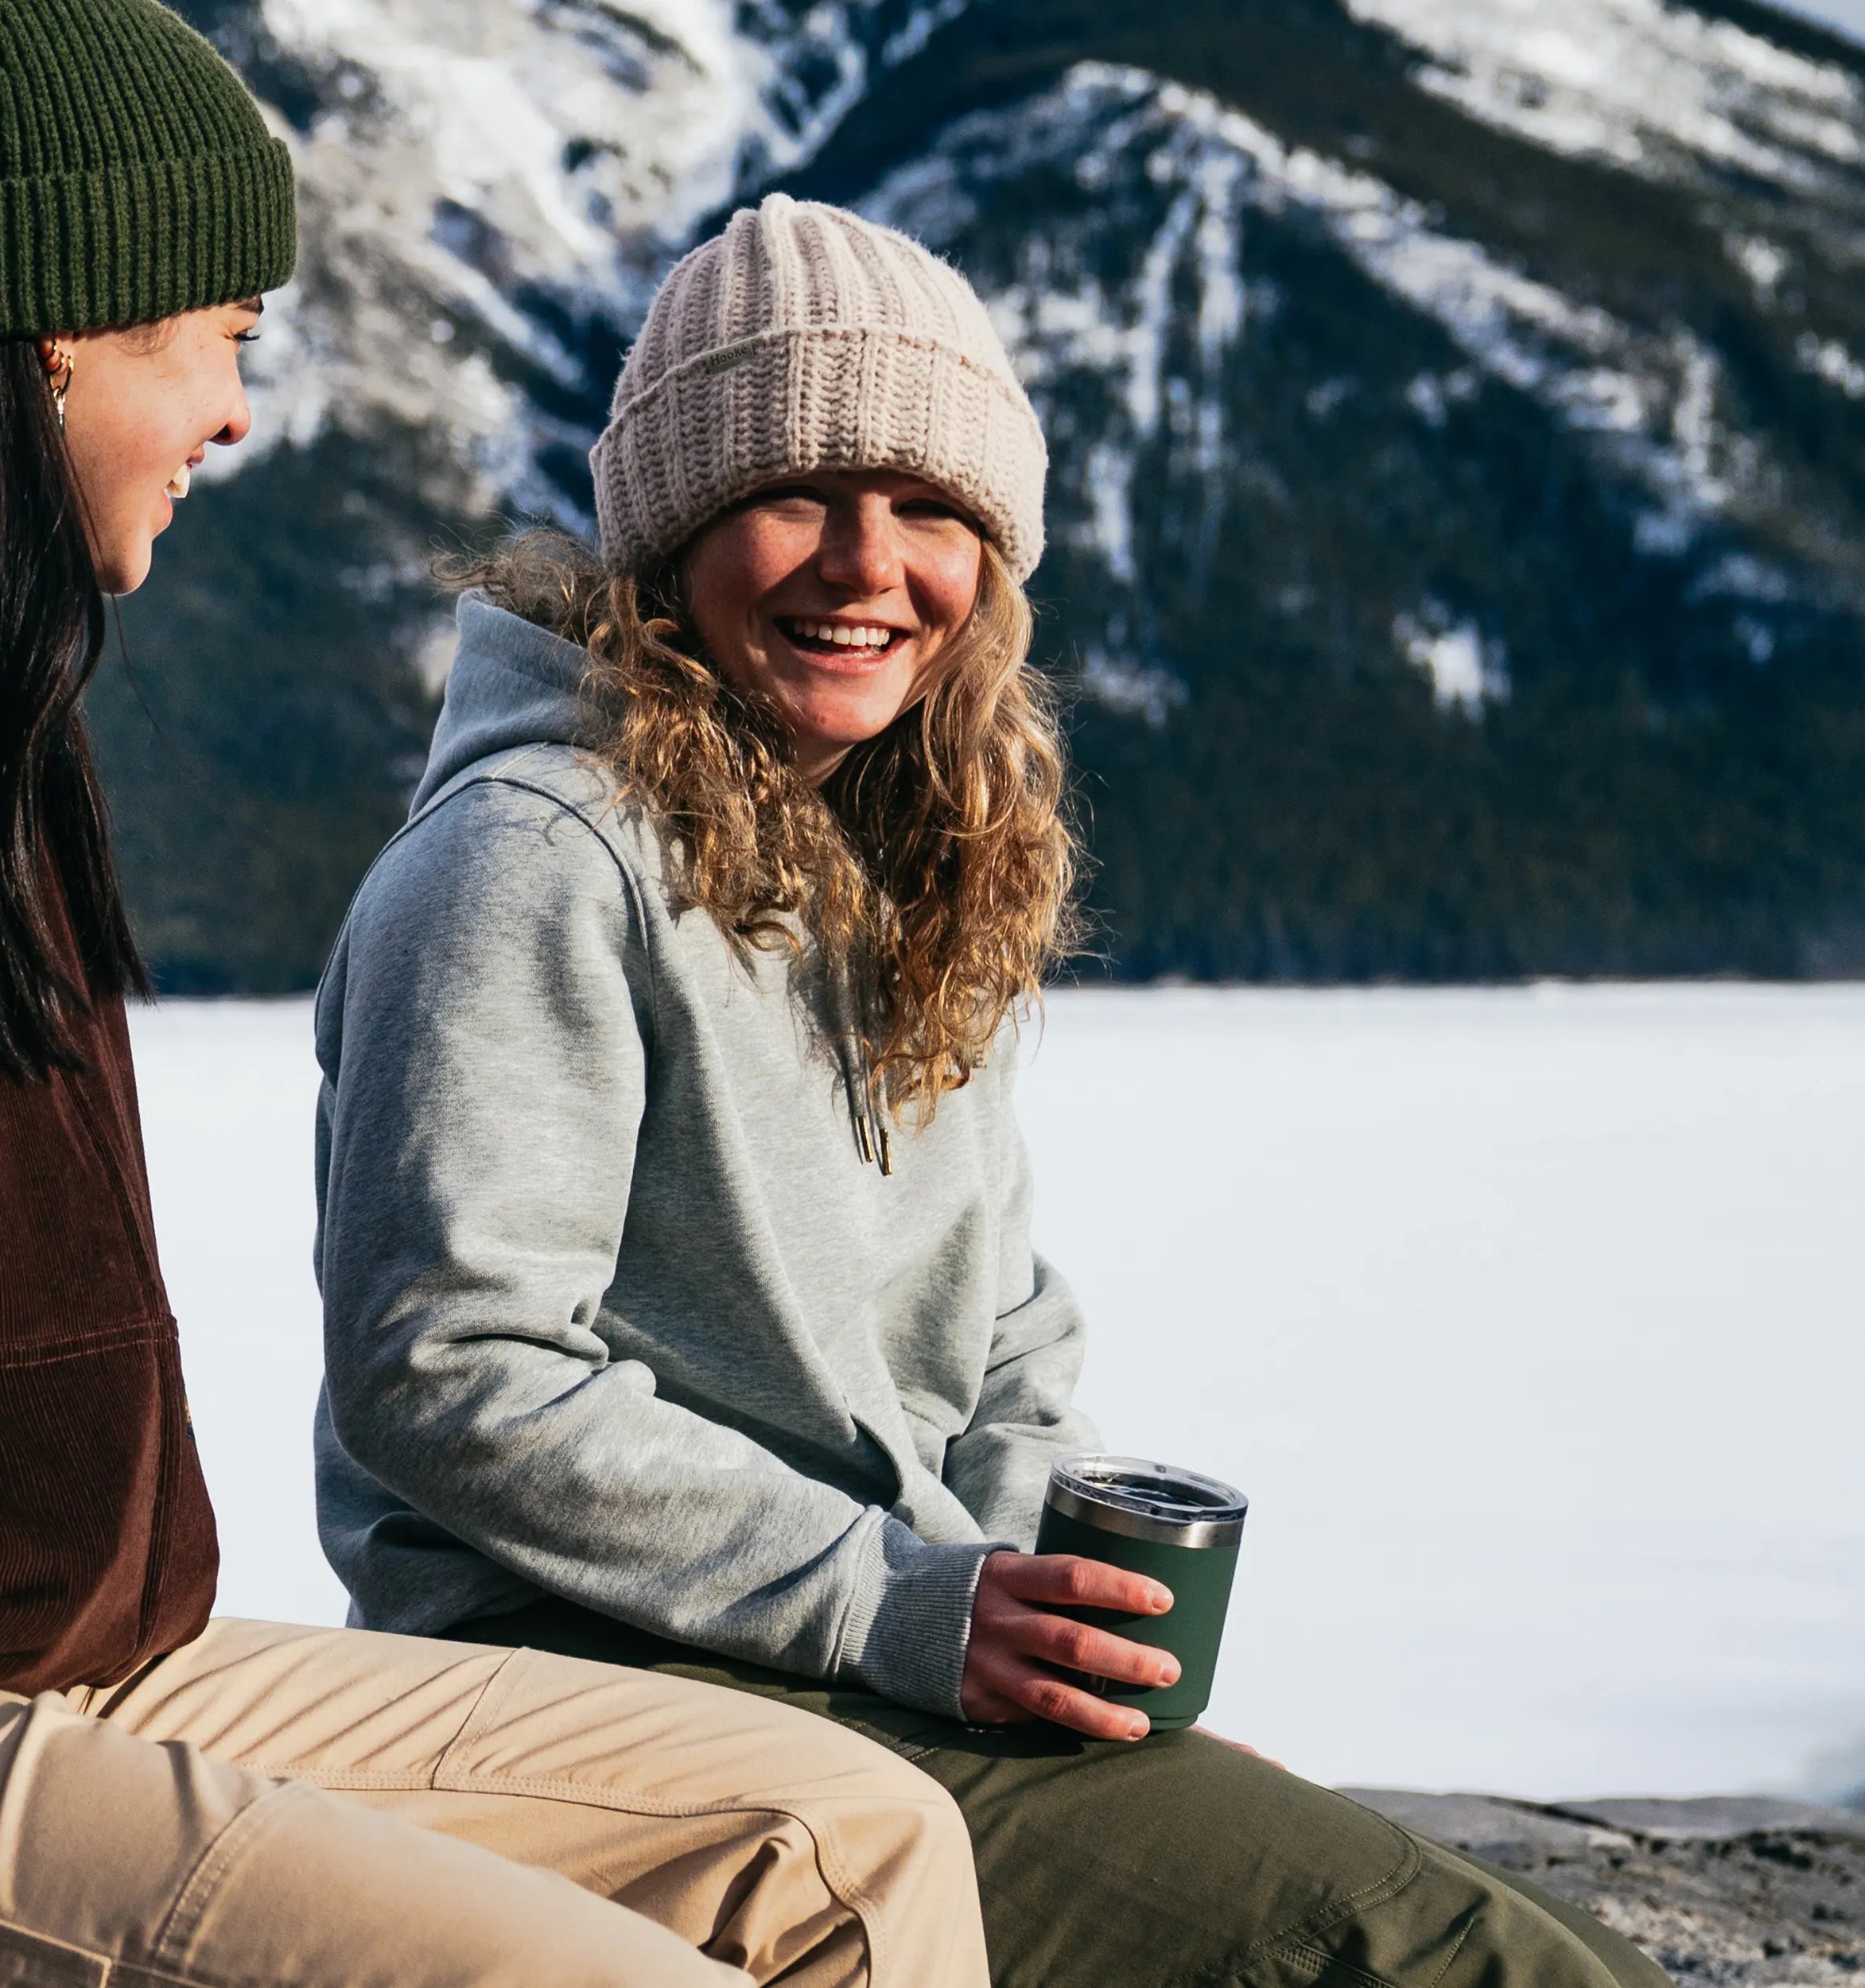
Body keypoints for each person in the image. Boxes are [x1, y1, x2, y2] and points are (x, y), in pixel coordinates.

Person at [313, 192, 1674, 1987]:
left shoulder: (882, 869)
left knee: (1502, 1937)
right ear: (670, 528)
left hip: (855, 1659)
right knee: (1437, 1959)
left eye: (933, 508)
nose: (869, 566)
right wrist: (901, 1607)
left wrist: (1070, 1652)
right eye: (796, 490)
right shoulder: (532, 861)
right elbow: (452, 1372)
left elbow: (1001, 1334)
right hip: (600, 1695)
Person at [0, 10, 991, 1984]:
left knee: (855, 1839)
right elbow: (450, 1364)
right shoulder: (519, 858)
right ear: (57, 325)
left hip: (94, 1654)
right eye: (213, 333)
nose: (237, 412)